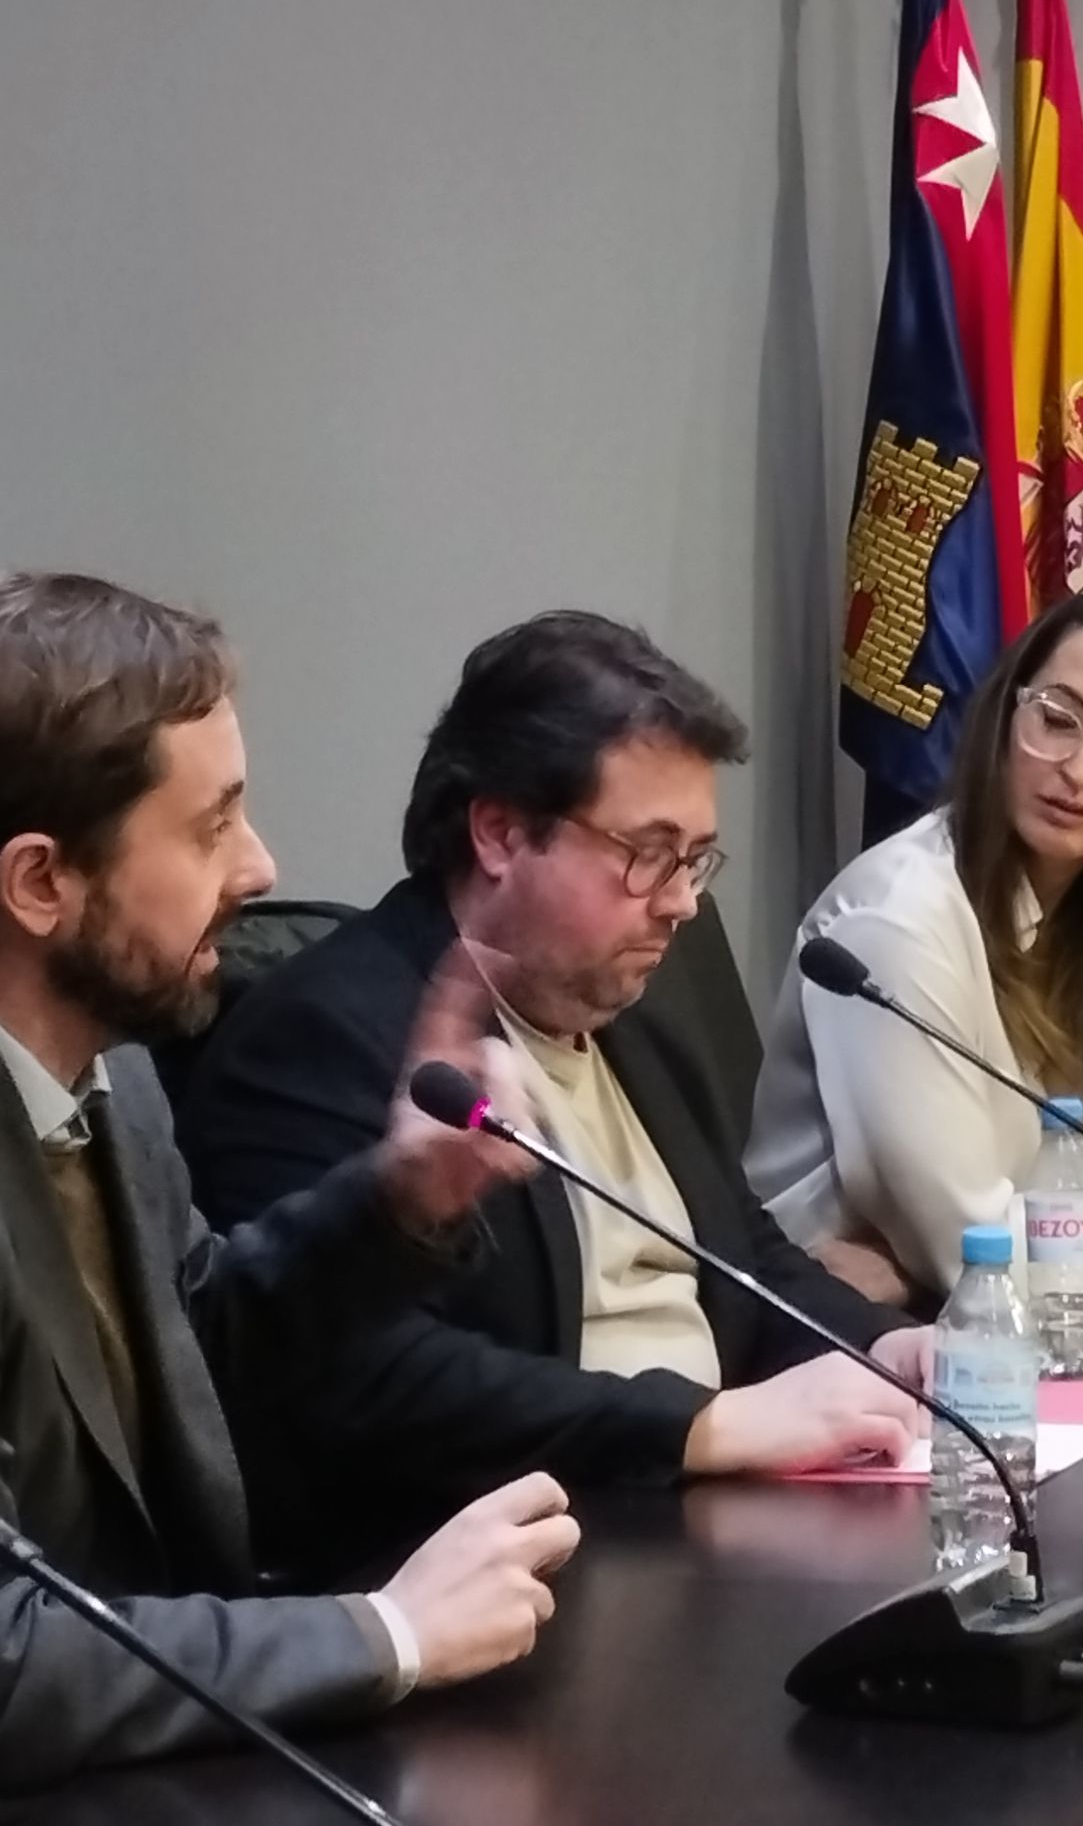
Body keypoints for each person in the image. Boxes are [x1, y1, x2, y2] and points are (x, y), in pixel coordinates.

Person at [0, 575, 585, 1796]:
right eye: (210, 828)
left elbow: (192, 1342)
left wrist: (404, 1196)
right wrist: (389, 1633)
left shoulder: (100, 1057)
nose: (260, 866)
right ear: (41, 883)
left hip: (138, 1760)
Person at [177, 611, 928, 1568]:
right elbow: (373, 1379)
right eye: (647, 853)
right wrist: (701, 1429)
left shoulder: (632, 1012)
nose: (682, 901)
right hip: (531, 1552)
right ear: (499, 832)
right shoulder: (321, 1037)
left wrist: (880, 1349)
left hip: (708, 1518)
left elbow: (744, 1253)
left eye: (695, 859)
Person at [749, 599, 1083, 1302]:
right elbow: (977, 1254)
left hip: (1020, 1323)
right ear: (1007, 716)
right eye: (1058, 719)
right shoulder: (899, 924)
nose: (1079, 768)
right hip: (844, 1333)